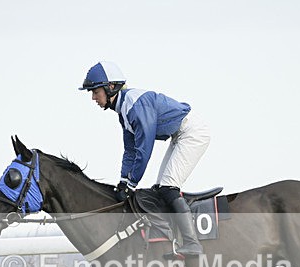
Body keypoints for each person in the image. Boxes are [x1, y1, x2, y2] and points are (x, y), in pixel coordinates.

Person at [79, 61, 210, 256]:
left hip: (192, 132)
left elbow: (144, 148)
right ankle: (175, 238)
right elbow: (129, 150)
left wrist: (132, 184)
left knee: (169, 187)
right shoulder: (123, 111)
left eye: (95, 91)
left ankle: (193, 243)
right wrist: (123, 181)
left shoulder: (134, 105)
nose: (93, 98)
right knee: (161, 189)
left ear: (110, 87)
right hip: (179, 134)